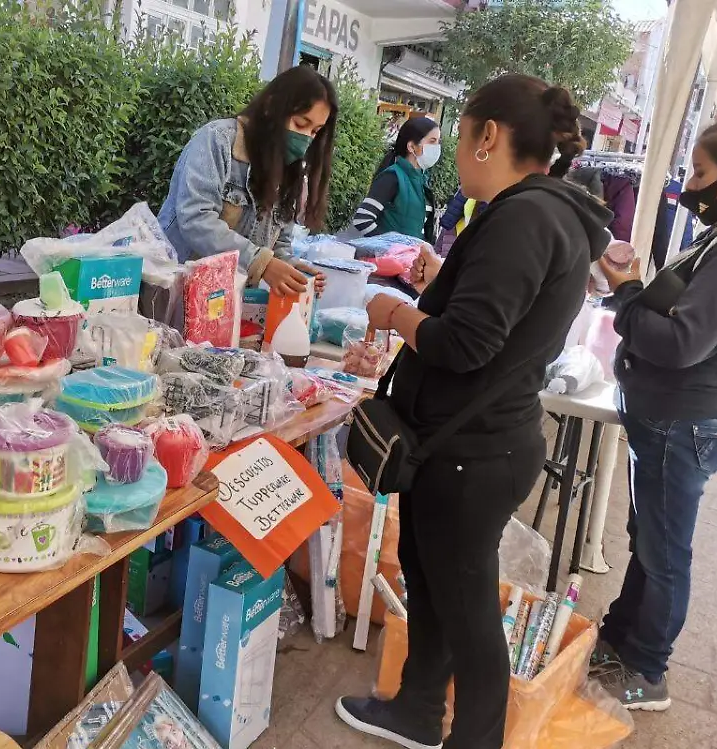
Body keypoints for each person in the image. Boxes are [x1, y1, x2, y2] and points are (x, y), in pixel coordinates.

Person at [335, 74, 611, 749]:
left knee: (468, 615)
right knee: (433, 584)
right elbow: (500, 321)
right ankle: (418, 709)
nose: (454, 152)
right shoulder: (544, 212)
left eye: (459, 135)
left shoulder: (524, 216)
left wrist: (393, 311)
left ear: (488, 136)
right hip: (468, 443)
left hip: (473, 452)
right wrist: (443, 285)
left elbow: (465, 344)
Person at [592, 120, 717, 712]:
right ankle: (623, 638)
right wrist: (636, 285)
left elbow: (680, 342)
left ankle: (648, 672)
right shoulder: (714, 239)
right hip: (669, 417)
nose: (690, 185)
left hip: (682, 420)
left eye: (701, 173)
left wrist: (626, 293)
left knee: (666, 550)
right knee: (651, 538)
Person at [158, 65, 333, 296]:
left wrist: (293, 271)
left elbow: (279, 244)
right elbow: (195, 218)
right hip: (174, 292)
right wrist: (260, 262)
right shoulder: (218, 140)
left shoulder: (289, 170)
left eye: (315, 131)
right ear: (271, 106)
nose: (305, 138)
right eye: (301, 124)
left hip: (226, 300)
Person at [350, 116, 442, 242]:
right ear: (411, 146)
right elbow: (363, 218)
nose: (437, 147)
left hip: (412, 254)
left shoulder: (422, 180)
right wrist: (389, 247)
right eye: (432, 141)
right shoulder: (393, 176)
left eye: (438, 141)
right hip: (387, 255)